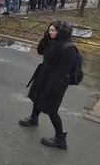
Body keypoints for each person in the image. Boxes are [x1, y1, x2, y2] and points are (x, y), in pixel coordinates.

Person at [20, 21, 78, 150]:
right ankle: (34, 118)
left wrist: (53, 87)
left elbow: (63, 71)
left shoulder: (69, 48)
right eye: (49, 30)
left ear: (62, 32)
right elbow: (40, 51)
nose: (50, 32)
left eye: (53, 30)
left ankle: (60, 138)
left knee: (51, 109)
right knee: (37, 96)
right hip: (44, 75)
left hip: (56, 81)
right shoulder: (53, 42)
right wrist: (45, 38)